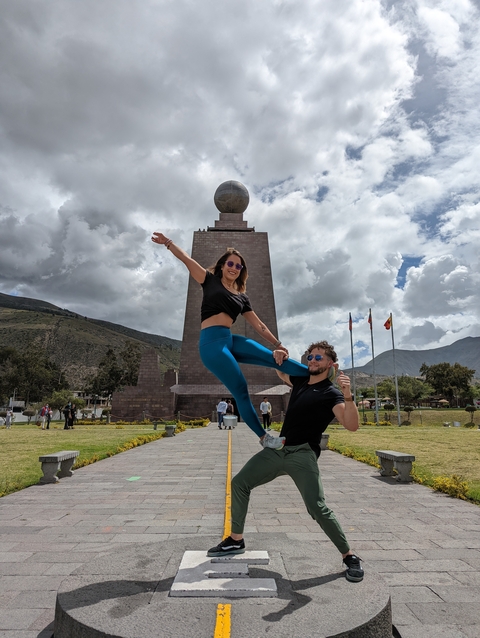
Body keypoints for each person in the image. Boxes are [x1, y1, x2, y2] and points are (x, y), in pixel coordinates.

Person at [207, 340, 364, 583]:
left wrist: (348, 394)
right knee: (239, 483)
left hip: (302, 454)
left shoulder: (331, 393)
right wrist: (279, 355)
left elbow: (351, 425)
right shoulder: (300, 381)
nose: (312, 361)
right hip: (279, 448)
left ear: (331, 364)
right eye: (310, 357)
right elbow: (281, 372)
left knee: (317, 507)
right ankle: (235, 540)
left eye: (318, 358)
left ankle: (349, 555)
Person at [152, 233, 309, 449]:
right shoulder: (208, 280)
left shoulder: (242, 297)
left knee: (274, 358)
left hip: (230, 339)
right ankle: (265, 439)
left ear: (241, 271)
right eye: (231, 263)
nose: (234, 268)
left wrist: (278, 344)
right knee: (241, 389)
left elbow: (259, 325)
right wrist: (168, 243)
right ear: (223, 265)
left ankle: (314, 374)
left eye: (238, 266)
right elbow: (187, 260)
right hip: (211, 346)